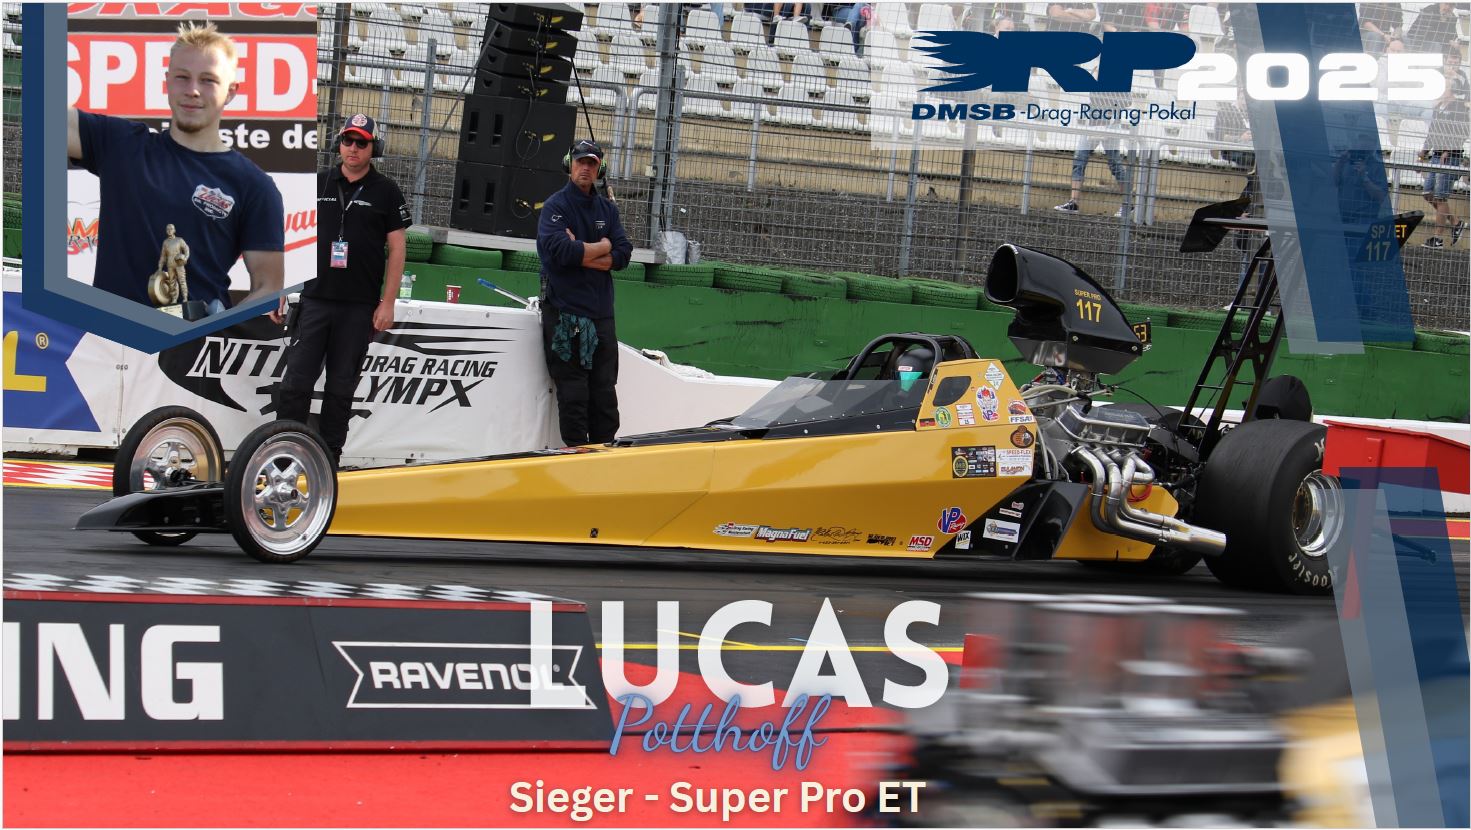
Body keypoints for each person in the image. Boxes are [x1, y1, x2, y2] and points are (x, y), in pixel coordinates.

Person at [66, 21, 283, 313]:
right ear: (167, 81)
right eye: (182, 77)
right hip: (107, 334)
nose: (193, 90)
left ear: (231, 91)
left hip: (189, 341)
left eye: (208, 80)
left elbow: (269, 287)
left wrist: (218, 326)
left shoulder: (254, 186)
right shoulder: (121, 145)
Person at [273, 114, 410, 468]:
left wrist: (388, 303)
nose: (353, 148)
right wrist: (278, 289)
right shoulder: (317, 183)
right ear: (339, 144)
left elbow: (398, 249)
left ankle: (328, 462)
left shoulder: (387, 191)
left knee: (340, 389)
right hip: (314, 301)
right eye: (348, 140)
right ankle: (283, 456)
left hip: (358, 308)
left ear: (374, 148)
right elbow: (291, 237)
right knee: (295, 385)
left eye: (361, 142)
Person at [536, 139, 633, 447]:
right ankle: (577, 458)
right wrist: (603, 246)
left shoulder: (608, 209)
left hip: (601, 316)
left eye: (592, 163)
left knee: (605, 396)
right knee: (573, 395)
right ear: (570, 164)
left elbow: (623, 254)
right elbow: (561, 251)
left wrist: (584, 252)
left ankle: (604, 456)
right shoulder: (555, 206)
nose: (586, 168)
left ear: (599, 169)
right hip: (565, 315)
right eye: (581, 162)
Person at [1055, 92, 1134, 218]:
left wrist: (1112, 102)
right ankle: (1073, 202)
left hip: (1111, 124)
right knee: (1079, 159)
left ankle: (1127, 203)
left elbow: (1127, 101)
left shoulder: (1119, 82)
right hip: (1092, 123)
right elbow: (1093, 97)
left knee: (1114, 163)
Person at [1419, 65, 1468, 248]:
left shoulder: (1459, 108)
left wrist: (1448, 149)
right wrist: (1424, 152)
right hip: (1436, 156)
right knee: (1428, 192)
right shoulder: (1438, 107)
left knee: (1440, 197)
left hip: (1450, 157)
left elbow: (1463, 132)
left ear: (1451, 89)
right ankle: (1456, 222)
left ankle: (1438, 238)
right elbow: (1432, 132)